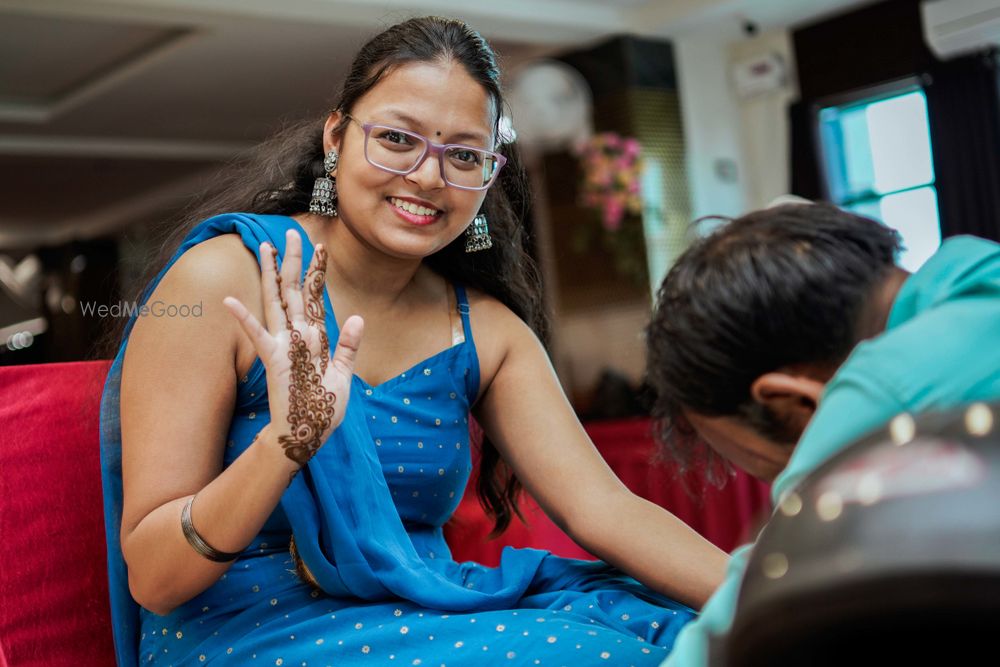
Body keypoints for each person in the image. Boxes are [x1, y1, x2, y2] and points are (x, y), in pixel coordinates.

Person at [100, 16, 728, 667]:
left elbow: (606, 509)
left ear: (489, 175)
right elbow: (153, 578)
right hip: (252, 632)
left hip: (425, 611)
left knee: (690, 634)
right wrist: (282, 446)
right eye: (398, 139)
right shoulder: (225, 276)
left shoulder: (484, 328)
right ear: (337, 136)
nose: (429, 176)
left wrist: (761, 591)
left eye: (464, 155)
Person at [643, 202, 1000, 666]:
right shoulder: (977, 266)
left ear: (794, 401)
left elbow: (755, 602)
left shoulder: (880, 392)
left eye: (781, 469)